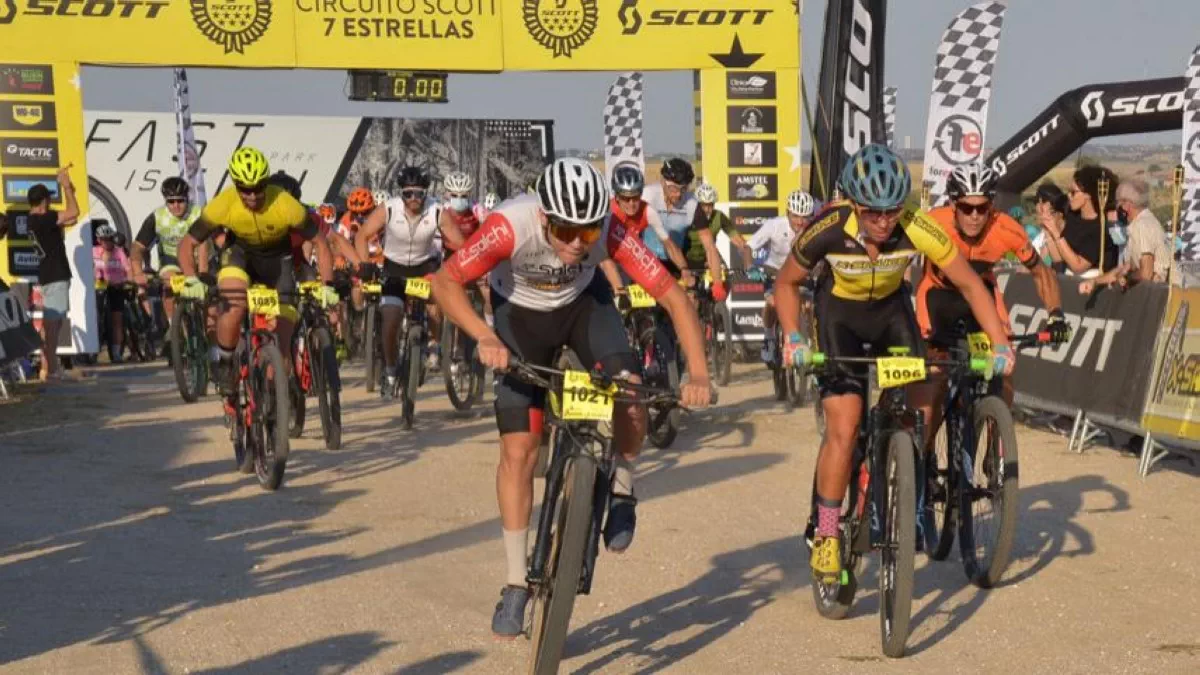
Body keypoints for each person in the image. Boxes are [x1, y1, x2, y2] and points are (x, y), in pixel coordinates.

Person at [431, 158, 712, 637]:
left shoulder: (608, 232)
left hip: (585, 308)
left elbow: (672, 298)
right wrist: (484, 336)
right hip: (519, 317)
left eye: (586, 234)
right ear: (544, 217)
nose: (575, 244)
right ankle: (517, 583)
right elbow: (445, 282)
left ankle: (622, 486)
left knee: (629, 389)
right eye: (564, 231)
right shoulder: (507, 227)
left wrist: (700, 373)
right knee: (519, 451)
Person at [773, 144, 1015, 585]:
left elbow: (971, 285)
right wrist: (792, 337)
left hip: (890, 316)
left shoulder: (916, 226)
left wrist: (1000, 343)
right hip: (840, 318)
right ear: (852, 204)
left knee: (919, 412)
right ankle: (827, 532)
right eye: (872, 213)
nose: (884, 222)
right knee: (844, 428)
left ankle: (900, 474)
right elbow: (786, 283)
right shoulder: (828, 226)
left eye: (891, 211)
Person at [909, 163, 1067, 455]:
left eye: (982, 208)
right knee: (934, 379)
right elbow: (900, 258)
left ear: (991, 206)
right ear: (954, 204)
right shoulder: (933, 222)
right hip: (937, 298)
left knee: (1004, 367)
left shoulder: (1005, 228)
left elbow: (1041, 273)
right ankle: (924, 456)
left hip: (981, 298)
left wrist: (1055, 313)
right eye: (967, 208)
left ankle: (996, 446)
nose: (974, 216)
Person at [175, 147, 338, 394]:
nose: (252, 195)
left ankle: (274, 399)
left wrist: (327, 285)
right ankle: (227, 362)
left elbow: (321, 243)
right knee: (234, 306)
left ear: (266, 182)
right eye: (244, 189)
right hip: (240, 256)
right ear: (236, 185)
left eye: (258, 187)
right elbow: (188, 244)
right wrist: (190, 278)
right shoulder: (224, 204)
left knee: (283, 343)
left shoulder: (285, 204)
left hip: (278, 261)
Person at [354, 166, 464, 395]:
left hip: (425, 266)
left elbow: (461, 245)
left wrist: (460, 270)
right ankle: (391, 369)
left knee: (435, 302)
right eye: (408, 194)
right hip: (394, 267)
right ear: (401, 194)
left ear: (426, 193)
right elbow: (362, 235)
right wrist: (365, 265)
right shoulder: (389, 209)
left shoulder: (437, 211)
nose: (414, 199)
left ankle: (434, 344)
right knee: (390, 320)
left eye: (419, 194)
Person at [748, 188, 815, 363]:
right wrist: (750, 267)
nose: (800, 222)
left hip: (800, 273)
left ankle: (811, 343)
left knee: (809, 306)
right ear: (787, 213)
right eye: (795, 216)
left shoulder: (814, 229)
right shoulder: (775, 225)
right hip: (775, 271)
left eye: (805, 217)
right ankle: (769, 338)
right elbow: (748, 247)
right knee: (773, 302)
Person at [605, 163, 687, 306]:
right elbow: (603, 258)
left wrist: (685, 270)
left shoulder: (648, 211)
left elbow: (669, 245)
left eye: (636, 197)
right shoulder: (608, 212)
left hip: (629, 261)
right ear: (617, 196)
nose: (631, 204)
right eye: (626, 198)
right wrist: (620, 291)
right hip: (604, 264)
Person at [26, 166, 80, 381]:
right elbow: (74, 211)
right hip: (56, 276)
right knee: (53, 327)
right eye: (48, 200)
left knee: (50, 326)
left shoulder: (32, 220)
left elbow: (67, 220)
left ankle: (47, 368)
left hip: (48, 275)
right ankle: (51, 370)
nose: (50, 203)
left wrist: (61, 223)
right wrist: (67, 187)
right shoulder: (44, 218)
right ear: (43, 202)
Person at [132, 177, 207, 331]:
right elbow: (137, 247)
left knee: (206, 293)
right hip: (171, 259)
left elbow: (206, 244)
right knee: (169, 285)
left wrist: (203, 272)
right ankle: (175, 330)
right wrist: (138, 271)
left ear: (187, 199)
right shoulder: (157, 217)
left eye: (180, 201)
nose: (176, 206)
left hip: (197, 258)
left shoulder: (198, 213)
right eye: (171, 201)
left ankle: (207, 334)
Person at [1042, 166, 1121, 276]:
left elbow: (1078, 267)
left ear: (1088, 195)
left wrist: (1056, 233)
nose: (1069, 196)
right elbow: (1059, 260)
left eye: (1073, 192)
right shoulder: (1072, 216)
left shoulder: (1100, 228)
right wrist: (1048, 230)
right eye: (1068, 191)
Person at [440, 171, 493, 323]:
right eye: (454, 195)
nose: (459, 199)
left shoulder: (477, 210)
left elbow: (490, 228)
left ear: (469, 195)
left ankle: (490, 329)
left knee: (489, 296)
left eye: (463, 196)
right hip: (449, 256)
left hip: (474, 257)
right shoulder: (441, 210)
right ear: (447, 194)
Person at [640, 158, 700, 286]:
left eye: (683, 189)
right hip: (646, 260)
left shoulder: (692, 204)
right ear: (662, 181)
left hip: (675, 260)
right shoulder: (647, 195)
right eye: (673, 188)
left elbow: (706, 239)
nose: (678, 194)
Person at [685, 182, 746, 300]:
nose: (707, 209)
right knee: (691, 293)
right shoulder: (689, 216)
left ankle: (715, 306)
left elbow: (735, 237)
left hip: (709, 254)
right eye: (703, 205)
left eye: (710, 205)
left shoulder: (719, 216)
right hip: (689, 256)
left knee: (726, 278)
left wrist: (745, 249)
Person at [92, 223, 134, 363]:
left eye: (109, 238)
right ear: (99, 240)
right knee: (96, 318)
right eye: (104, 239)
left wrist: (129, 280)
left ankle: (116, 353)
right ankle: (93, 349)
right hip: (100, 287)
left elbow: (128, 269)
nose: (107, 242)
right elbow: (91, 269)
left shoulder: (119, 252)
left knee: (117, 321)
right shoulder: (94, 252)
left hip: (117, 286)